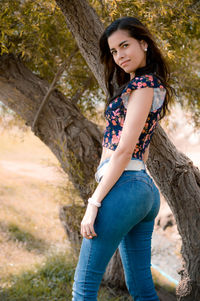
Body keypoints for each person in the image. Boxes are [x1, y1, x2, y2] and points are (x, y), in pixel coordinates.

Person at [72, 16, 173, 301]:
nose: (120, 55)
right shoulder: (145, 86)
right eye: (114, 51)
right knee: (141, 287)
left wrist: (94, 202)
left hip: (125, 186)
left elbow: (125, 150)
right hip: (142, 190)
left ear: (144, 43)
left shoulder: (143, 86)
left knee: (84, 286)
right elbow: (145, 146)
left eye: (125, 45)